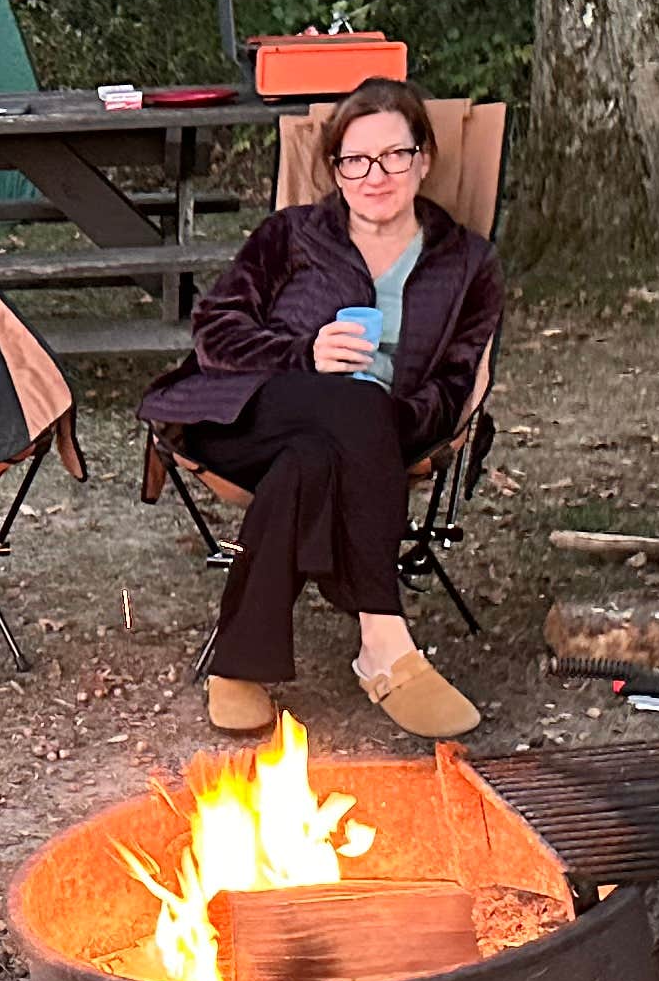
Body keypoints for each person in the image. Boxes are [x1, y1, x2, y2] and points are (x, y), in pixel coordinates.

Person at [138, 76, 502, 740]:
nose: (375, 175)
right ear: (335, 169)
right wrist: (303, 353)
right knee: (350, 407)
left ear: (423, 159)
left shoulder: (468, 263)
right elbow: (215, 329)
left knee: (318, 452)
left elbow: (455, 381)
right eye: (355, 160)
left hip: (365, 443)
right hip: (247, 414)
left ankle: (237, 665)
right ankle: (383, 640)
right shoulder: (293, 234)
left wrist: (390, 424)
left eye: (393, 155)